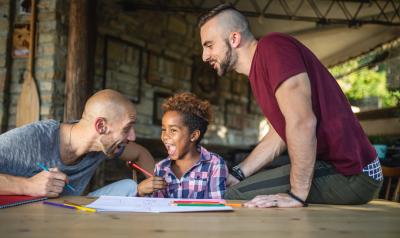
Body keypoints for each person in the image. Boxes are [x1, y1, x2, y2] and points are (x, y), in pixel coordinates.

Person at [198, 3, 382, 207]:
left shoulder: (273, 47)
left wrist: (296, 195)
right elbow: (280, 135)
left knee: (231, 196)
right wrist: (238, 173)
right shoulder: (259, 70)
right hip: (345, 171)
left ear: (234, 38)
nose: (204, 56)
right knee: (234, 189)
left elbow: (302, 121)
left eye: (209, 45)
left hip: (352, 173)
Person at [0, 89, 155, 197]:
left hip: (59, 218)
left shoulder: (105, 146)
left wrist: (160, 188)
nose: (132, 137)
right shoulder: (33, 138)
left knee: (129, 186)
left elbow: (141, 153)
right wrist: (28, 186)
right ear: (100, 126)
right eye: (127, 128)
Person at [137, 92, 228, 199]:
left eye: (173, 130)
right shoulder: (161, 168)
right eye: (163, 130)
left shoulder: (214, 164)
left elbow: (217, 208)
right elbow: (157, 208)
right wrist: (141, 192)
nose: (165, 136)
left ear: (193, 135)